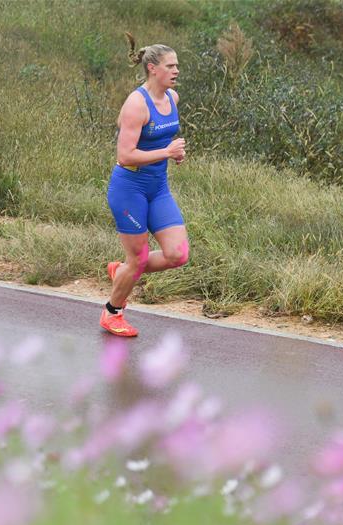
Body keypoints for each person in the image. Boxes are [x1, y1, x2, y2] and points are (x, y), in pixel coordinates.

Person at [100, 33, 189, 337]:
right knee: (137, 260)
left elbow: (161, 139)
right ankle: (112, 312)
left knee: (178, 254)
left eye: (177, 66)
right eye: (171, 66)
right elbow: (125, 155)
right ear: (153, 68)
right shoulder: (136, 104)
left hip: (157, 188)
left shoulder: (173, 99)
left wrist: (175, 154)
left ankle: (123, 271)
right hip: (129, 189)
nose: (176, 71)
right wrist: (166, 152)